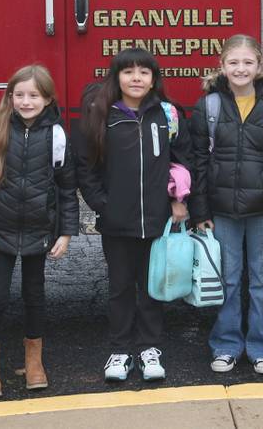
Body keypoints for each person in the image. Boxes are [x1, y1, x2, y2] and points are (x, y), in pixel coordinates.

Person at [76, 48, 192, 383]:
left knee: (153, 285)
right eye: (128, 72)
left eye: (144, 72)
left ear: (154, 78)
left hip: (158, 220)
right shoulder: (102, 114)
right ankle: (121, 350)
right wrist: (102, 204)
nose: (136, 78)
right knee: (120, 288)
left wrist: (178, 200)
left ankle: (149, 348)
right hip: (117, 223)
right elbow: (87, 167)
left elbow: (185, 161)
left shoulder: (167, 115)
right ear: (116, 78)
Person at [189, 35, 263, 376]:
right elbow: (198, 162)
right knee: (227, 279)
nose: (240, 69)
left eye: (248, 62)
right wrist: (200, 210)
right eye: (234, 62)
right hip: (221, 210)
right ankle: (226, 345)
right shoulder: (207, 107)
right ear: (222, 65)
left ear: (259, 67)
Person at [0, 65, 79, 398]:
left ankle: (34, 363)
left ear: (47, 99)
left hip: (39, 232)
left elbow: (66, 189)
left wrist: (65, 233)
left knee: (35, 297)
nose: (26, 101)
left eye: (34, 95)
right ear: (10, 97)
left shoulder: (57, 135)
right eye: (19, 95)